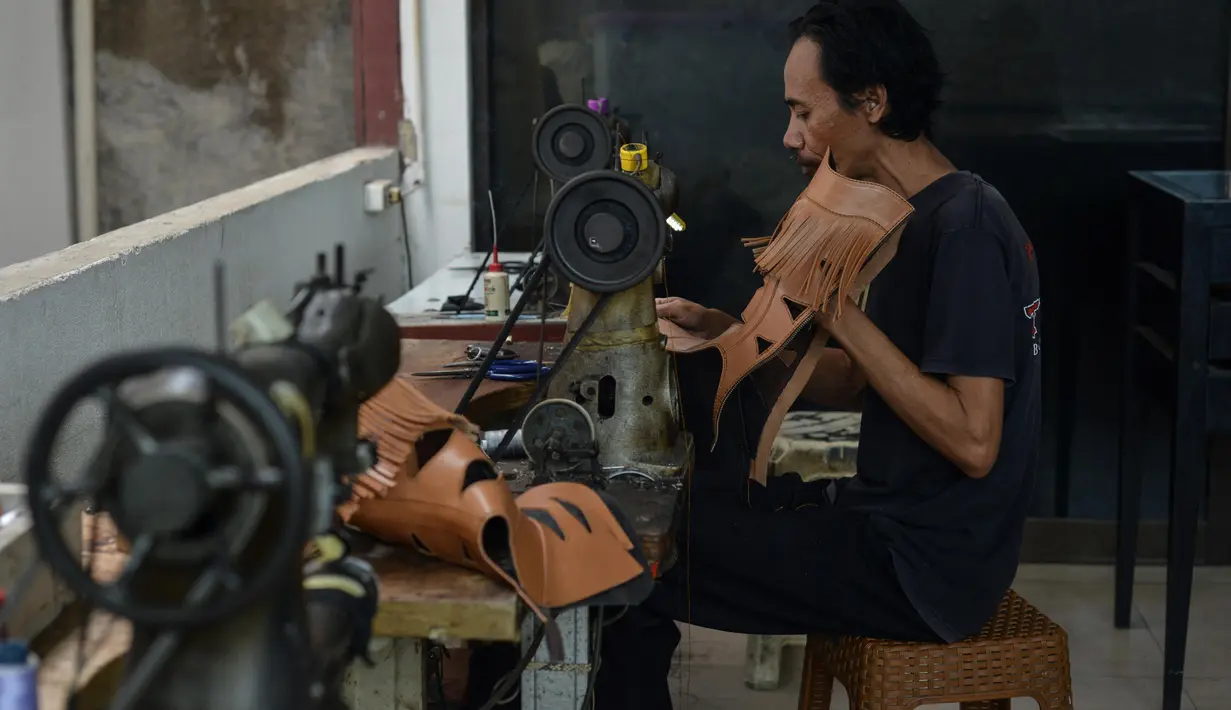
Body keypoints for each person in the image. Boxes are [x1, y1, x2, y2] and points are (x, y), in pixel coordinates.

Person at [591, 1, 1042, 707]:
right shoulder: (914, 217)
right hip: (879, 522)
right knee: (648, 506)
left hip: (918, 566)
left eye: (803, 112)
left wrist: (835, 312)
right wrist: (726, 334)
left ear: (872, 101)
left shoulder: (966, 229)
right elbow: (862, 385)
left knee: (616, 550)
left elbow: (973, 440)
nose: (788, 135)